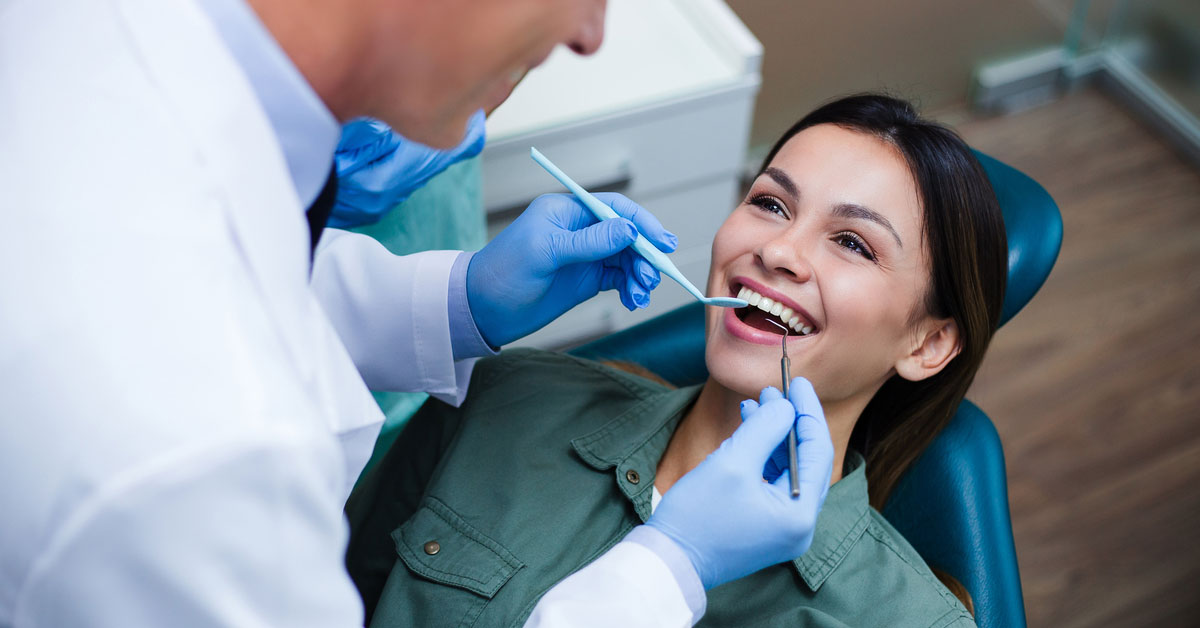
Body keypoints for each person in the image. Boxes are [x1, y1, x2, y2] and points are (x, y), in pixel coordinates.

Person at [0, 0, 833, 625]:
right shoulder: (204, 467)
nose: (590, 34)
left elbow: (217, 258)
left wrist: (453, 302)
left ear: (933, 342)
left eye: (855, 245)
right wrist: (666, 571)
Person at [344, 93, 1007, 627]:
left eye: (853, 243)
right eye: (770, 204)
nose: (778, 251)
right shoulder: (503, 398)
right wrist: (462, 304)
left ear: (928, 344)